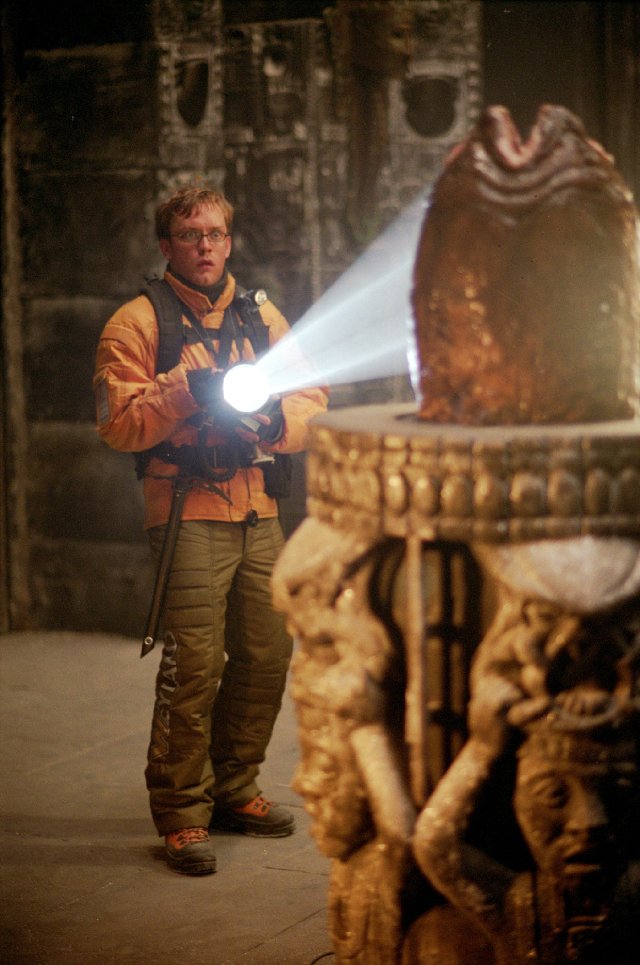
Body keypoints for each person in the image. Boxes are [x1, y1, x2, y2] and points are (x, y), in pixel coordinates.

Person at [93, 184, 328, 875]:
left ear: (230, 241)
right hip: (186, 506)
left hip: (259, 506)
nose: (205, 246)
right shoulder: (136, 323)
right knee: (195, 664)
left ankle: (235, 788)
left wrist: (274, 423)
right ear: (166, 245)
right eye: (191, 235)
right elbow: (116, 423)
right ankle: (181, 812)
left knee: (266, 654)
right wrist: (180, 389)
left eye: (216, 234)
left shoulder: (261, 315)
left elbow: (312, 395)